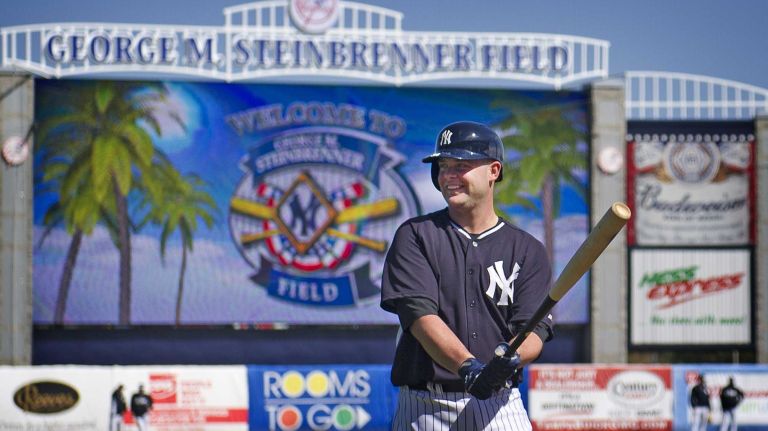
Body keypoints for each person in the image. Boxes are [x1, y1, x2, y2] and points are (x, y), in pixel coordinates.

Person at [380, 121, 554, 430]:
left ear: (494, 171)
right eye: (444, 166)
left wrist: (511, 359)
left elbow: (533, 331)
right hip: (425, 407)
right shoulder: (416, 235)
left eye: (461, 165)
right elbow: (420, 318)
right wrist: (468, 367)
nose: (448, 175)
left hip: (501, 406)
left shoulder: (527, 250)